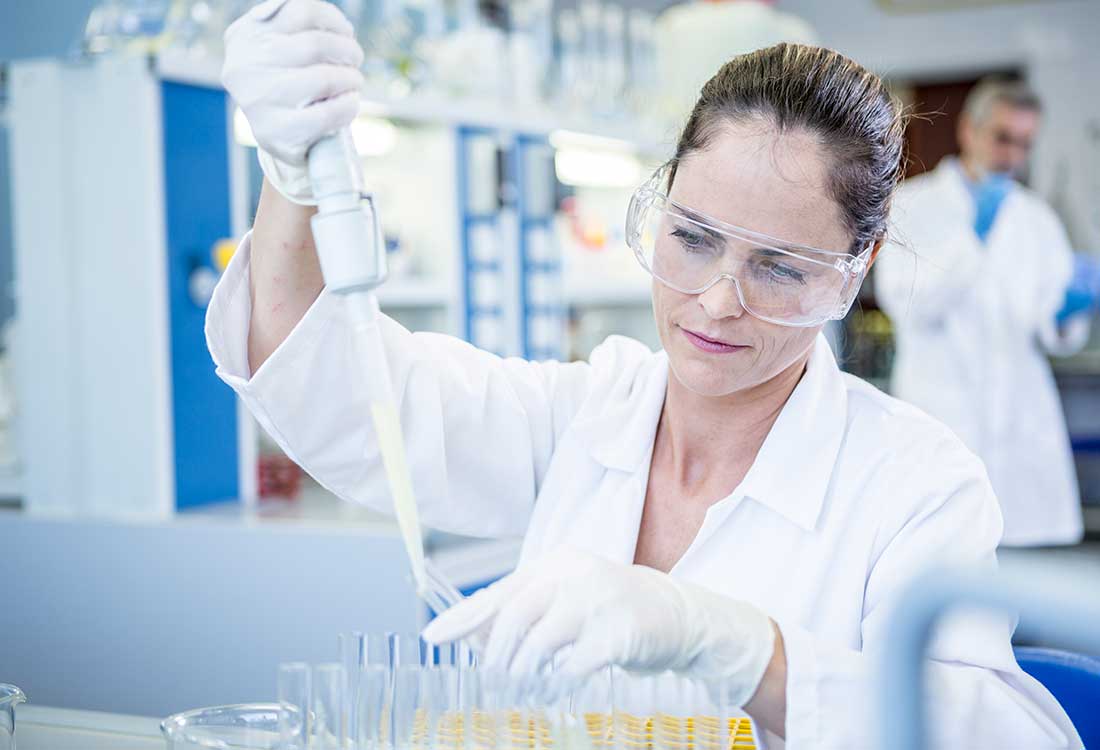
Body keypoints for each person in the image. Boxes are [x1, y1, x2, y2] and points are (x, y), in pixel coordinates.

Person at [212, 3, 1078, 746]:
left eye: (779, 266)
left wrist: (735, 644)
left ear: (856, 268)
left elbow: (1009, 737)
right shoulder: (583, 414)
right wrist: (292, 170)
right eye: (693, 239)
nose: (714, 301)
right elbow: (326, 384)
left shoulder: (916, 486)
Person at [875, 78, 1092, 547]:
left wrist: (1068, 312)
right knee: (944, 549)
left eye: (1024, 143)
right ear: (969, 130)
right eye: (1002, 137)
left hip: (1020, 421)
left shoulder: (1037, 218)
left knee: (1026, 578)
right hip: (944, 409)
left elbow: (1049, 327)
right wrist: (972, 240)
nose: (1012, 155)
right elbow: (907, 304)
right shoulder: (912, 206)